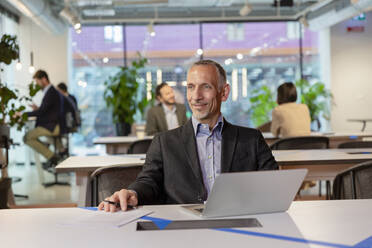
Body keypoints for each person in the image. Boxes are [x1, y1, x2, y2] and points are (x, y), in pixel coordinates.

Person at [99, 59, 278, 212]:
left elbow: (273, 185)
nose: (196, 96)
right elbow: (149, 181)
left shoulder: (251, 139)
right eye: (191, 87)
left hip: (238, 223)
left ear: (224, 92)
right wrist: (134, 193)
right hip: (183, 229)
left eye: (205, 87)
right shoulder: (164, 142)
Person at [23, 70, 62, 167]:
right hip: (51, 124)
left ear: (44, 79)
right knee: (30, 136)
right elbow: (46, 110)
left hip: (52, 126)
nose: (37, 85)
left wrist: (23, 114)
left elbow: (42, 112)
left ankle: (52, 156)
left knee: (27, 138)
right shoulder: (51, 91)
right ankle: (48, 149)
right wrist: (38, 109)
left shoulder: (51, 92)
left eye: (37, 82)